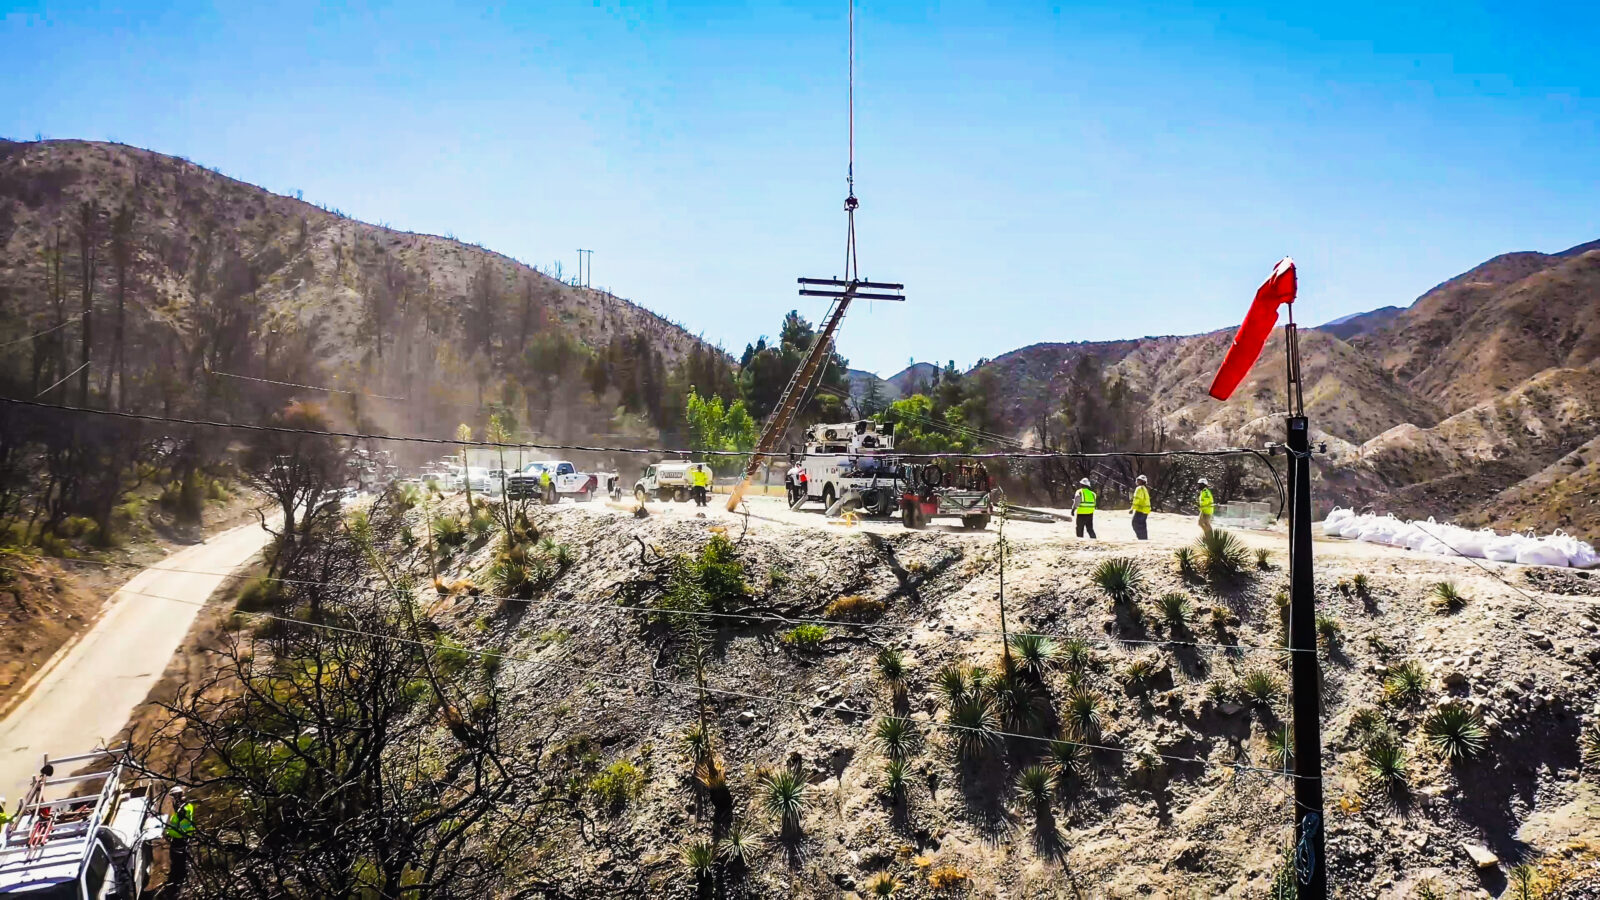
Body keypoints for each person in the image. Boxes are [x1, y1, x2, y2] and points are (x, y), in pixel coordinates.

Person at [165, 786, 197, 893]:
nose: (173, 800)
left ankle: (177, 883)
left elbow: (179, 826)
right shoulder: (187, 806)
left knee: (177, 859)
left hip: (179, 838)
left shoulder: (182, 810)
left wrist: (168, 833)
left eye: (174, 797)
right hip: (184, 836)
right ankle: (179, 878)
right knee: (180, 859)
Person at [1130, 474, 1151, 541]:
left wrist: (1132, 508)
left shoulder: (1139, 488)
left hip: (1141, 510)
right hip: (1146, 510)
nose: (1137, 481)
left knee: (1135, 523)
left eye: (1138, 480)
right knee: (1142, 525)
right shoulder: (1145, 489)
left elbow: (1137, 499)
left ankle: (1141, 538)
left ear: (1141, 481)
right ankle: (1144, 538)